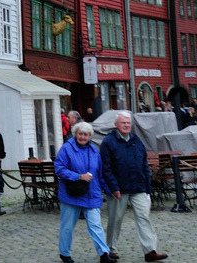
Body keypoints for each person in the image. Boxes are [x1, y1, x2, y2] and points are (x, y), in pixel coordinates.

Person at [100, 111, 168, 262]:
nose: (126, 125)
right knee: (115, 220)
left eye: (128, 123)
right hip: (119, 188)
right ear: (116, 124)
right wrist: (113, 187)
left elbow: (144, 164)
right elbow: (106, 168)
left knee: (144, 217)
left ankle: (150, 251)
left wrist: (147, 187)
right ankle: (111, 249)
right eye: (123, 123)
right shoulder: (108, 142)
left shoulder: (136, 140)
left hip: (138, 186)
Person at [54, 121, 111, 263]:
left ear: (89, 136)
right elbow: (59, 168)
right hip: (71, 194)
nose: (83, 137)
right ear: (75, 134)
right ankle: (64, 254)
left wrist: (109, 190)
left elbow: (100, 174)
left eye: (86, 134)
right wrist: (78, 176)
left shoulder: (94, 151)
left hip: (91, 194)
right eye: (80, 134)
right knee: (67, 227)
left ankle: (104, 254)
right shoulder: (66, 149)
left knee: (95, 225)